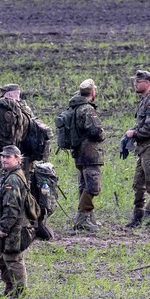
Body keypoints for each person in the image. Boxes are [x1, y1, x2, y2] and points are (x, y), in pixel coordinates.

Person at [124, 70, 150, 227]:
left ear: (148, 83)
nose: (136, 84)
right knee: (138, 184)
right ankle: (137, 216)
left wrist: (134, 133)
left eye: (139, 81)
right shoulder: (144, 101)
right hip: (144, 149)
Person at [66, 79, 105, 232]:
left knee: (84, 185)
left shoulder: (74, 107)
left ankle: (89, 218)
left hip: (79, 153)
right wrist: (103, 134)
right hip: (90, 153)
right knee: (93, 186)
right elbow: (96, 132)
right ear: (92, 92)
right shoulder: (87, 109)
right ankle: (82, 219)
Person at [0, 145, 31, 297]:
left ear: (17, 159)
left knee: (13, 259)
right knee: (3, 258)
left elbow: (11, 208)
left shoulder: (13, 179)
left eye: (8, 157)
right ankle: (10, 288)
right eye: (2, 156)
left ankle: (19, 291)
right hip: (9, 226)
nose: (4, 159)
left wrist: (4, 229)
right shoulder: (7, 174)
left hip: (13, 228)